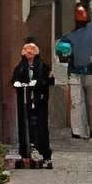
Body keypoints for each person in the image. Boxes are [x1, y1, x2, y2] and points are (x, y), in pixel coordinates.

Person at [8, 39, 54, 170]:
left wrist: (38, 83)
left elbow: (47, 80)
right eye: (27, 52)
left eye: (32, 52)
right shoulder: (21, 66)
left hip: (39, 101)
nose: (29, 54)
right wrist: (17, 83)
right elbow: (15, 78)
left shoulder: (42, 66)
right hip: (24, 102)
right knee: (24, 126)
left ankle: (44, 153)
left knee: (41, 127)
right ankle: (25, 152)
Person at [63, 0, 92, 141]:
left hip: (91, 71)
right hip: (75, 71)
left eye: (82, 12)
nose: (80, 15)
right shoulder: (70, 31)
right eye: (78, 13)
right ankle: (77, 130)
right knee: (76, 102)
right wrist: (64, 53)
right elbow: (63, 48)